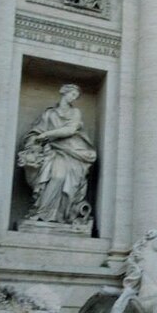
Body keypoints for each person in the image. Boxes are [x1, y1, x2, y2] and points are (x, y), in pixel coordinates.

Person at [17, 84, 97, 225]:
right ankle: (41, 213)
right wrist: (34, 141)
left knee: (59, 177)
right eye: (72, 94)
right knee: (54, 177)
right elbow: (35, 132)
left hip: (71, 152)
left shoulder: (75, 112)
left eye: (76, 96)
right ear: (64, 93)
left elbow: (70, 130)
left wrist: (46, 134)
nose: (73, 98)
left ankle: (59, 215)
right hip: (51, 151)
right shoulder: (49, 114)